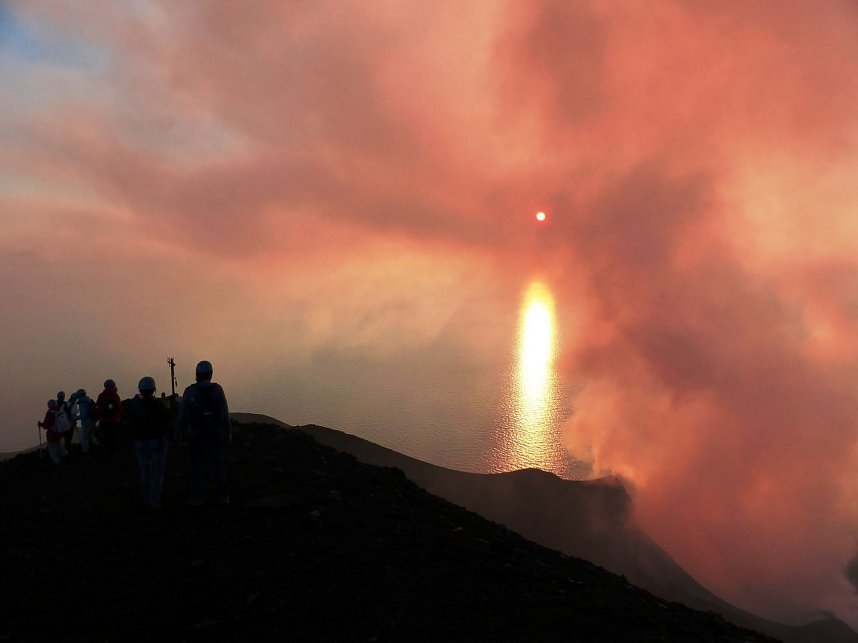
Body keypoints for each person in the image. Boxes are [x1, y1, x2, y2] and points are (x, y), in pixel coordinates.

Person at [175, 360, 230, 505]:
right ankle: (222, 496)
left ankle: (197, 496)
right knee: (217, 464)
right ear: (211, 374)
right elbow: (225, 412)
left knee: (196, 465)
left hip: (195, 433)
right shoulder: (218, 390)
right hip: (214, 432)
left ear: (197, 374)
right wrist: (228, 432)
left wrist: (178, 432)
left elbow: (182, 414)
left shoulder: (190, 391)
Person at [124, 377, 170, 510]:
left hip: (140, 442)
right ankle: (154, 501)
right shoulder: (159, 406)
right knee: (157, 473)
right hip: (157, 441)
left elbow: (128, 424)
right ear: (154, 390)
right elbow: (167, 420)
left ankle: (145, 498)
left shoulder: (133, 406)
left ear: (140, 389)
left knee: (144, 472)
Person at [96, 380, 123, 458]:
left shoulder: (101, 396)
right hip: (115, 421)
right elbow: (120, 408)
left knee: (105, 439)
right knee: (113, 439)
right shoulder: (115, 396)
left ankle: (106, 454)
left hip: (103, 422)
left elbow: (98, 408)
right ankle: (112, 456)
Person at [38, 400, 69, 465]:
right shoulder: (61, 410)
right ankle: (65, 456)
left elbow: (46, 425)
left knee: (52, 449)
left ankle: (57, 462)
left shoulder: (50, 413)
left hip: (52, 434)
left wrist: (40, 424)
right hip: (60, 433)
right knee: (59, 446)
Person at [72, 388, 98, 455]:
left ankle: (86, 451)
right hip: (93, 421)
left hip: (86, 423)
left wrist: (76, 418)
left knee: (84, 438)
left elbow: (84, 414)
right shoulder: (89, 401)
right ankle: (94, 449)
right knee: (90, 436)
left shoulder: (82, 403)